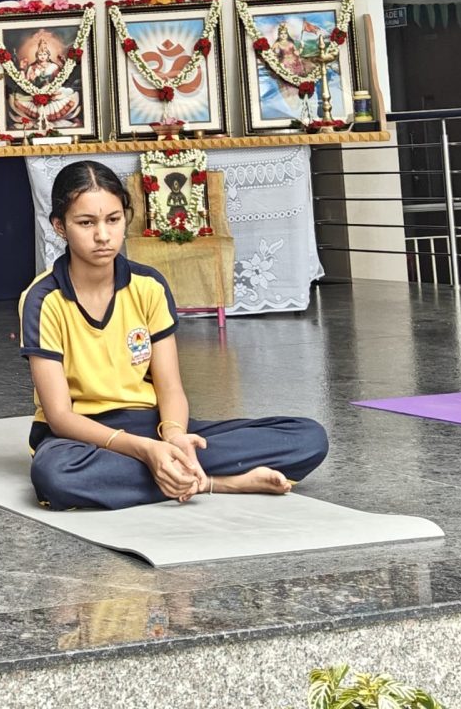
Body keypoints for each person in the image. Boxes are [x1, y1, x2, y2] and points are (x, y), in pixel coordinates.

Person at [23, 160, 327, 509]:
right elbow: (60, 417)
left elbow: (170, 387)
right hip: (81, 437)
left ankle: (174, 471)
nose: (103, 236)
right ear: (59, 226)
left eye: (113, 219)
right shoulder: (42, 299)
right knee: (56, 476)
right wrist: (145, 451)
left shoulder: (149, 285)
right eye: (86, 223)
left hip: (152, 424)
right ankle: (216, 482)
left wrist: (175, 437)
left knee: (307, 437)